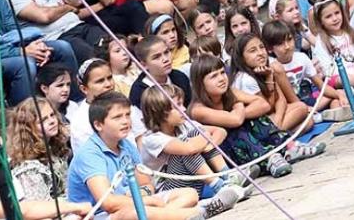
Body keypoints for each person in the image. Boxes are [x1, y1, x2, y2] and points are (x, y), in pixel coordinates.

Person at [66, 92, 203, 219]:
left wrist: (143, 196)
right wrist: (145, 200)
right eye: (117, 117)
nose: (126, 121)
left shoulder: (126, 144)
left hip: (133, 202)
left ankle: (167, 216)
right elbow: (108, 203)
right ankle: (198, 213)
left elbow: (147, 184)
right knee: (138, 212)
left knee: (189, 194)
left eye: (127, 115)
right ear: (98, 125)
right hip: (101, 215)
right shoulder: (89, 154)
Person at [137, 87, 244, 216]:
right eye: (177, 106)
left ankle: (229, 178)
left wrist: (206, 144)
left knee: (196, 133)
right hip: (170, 190)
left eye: (182, 104)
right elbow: (189, 149)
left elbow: (220, 131)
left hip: (194, 183)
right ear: (159, 112)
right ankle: (219, 186)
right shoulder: (151, 139)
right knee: (188, 144)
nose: (183, 109)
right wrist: (204, 140)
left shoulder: (183, 125)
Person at [0, 118, 93, 220]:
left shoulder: (8, 178)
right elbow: (22, 211)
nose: (9, 159)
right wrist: (74, 207)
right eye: (0, 155)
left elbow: (31, 211)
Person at [259, 21, 351, 120]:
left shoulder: (301, 58)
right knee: (298, 111)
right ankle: (318, 117)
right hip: (289, 106)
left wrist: (339, 95)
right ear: (269, 48)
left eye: (289, 40)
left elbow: (320, 85)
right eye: (280, 44)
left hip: (306, 98)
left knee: (335, 97)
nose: (287, 46)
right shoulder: (273, 66)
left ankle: (334, 113)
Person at [229, 33, 312, 135]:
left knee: (308, 121)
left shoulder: (264, 69)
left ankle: (279, 134)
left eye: (261, 47)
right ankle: (276, 136)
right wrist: (269, 78)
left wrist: (277, 122)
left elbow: (281, 100)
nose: (260, 53)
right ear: (241, 57)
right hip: (256, 125)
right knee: (302, 108)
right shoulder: (245, 79)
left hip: (271, 118)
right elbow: (267, 107)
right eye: (253, 51)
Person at [66, 58, 146, 151]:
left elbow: (139, 137)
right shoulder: (81, 121)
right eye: (100, 81)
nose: (108, 84)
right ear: (84, 89)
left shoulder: (122, 103)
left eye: (109, 78)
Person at [6, 96, 72, 203]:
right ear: (28, 128)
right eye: (43, 120)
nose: (52, 121)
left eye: (52, 115)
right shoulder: (28, 167)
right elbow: (39, 205)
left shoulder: (55, 147)